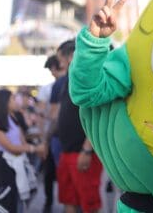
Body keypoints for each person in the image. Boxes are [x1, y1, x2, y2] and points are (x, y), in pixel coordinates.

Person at [56, 40, 102, 213]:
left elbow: (96, 114)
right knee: (68, 200)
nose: (60, 64)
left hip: (82, 153)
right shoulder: (68, 79)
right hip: (67, 151)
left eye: (61, 59)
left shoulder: (85, 78)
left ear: (71, 56)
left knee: (89, 204)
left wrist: (87, 149)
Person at [0, 89, 45, 212]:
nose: (16, 101)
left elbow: (22, 142)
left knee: (19, 201)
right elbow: (12, 148)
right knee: (8, 203)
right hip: (5, 169)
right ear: (4, 102)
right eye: (12, 99)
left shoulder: (13, 118)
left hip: (18, 167)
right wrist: (34, 148)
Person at [37, 54, 65, 212]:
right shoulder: (49, 88)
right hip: (53, 136)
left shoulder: (50, 88)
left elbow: (41, 115)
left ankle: (54, 202)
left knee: (55, 171)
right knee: (51, 171)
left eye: (51, 70)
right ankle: (52, 201)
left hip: (54, 136)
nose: (52, 73)